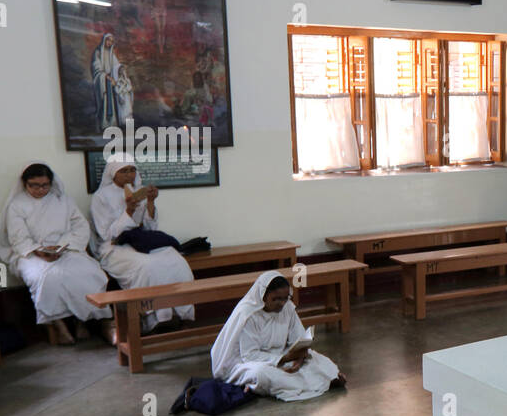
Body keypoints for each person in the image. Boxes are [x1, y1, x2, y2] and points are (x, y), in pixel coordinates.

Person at [0, 162, 114, 345]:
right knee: (47, 278)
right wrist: (39, 252)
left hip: (66, 249)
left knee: (89, 273)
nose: (40, 189)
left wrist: (63, 246)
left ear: (51, 182)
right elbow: (18, 238)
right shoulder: (17, 206)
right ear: (25, 184)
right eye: (34, 185)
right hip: (31, 254)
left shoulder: (63, 200)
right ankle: (57, 324)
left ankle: (82, 321)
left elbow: (80, 226)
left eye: (44, 185)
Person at [89, 154, 195, 332]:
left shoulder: (138, 190)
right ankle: (155, 318)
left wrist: (151, 202)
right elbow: (106, 234)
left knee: (177, 261)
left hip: (142, 240)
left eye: (132, 170)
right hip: (116, 246)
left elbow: (150, 226)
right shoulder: (101, 197)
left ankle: (183, 314)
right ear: (112, 173)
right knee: (147, 266)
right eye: (123, 171)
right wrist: (129, 212)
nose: (129, 175)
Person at [210, 271, 346, 401]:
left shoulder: (287, 308)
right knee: (261, 374)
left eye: (285, 298)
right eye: (276, 299)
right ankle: (320, 382)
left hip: (281, 355)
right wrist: (283, 359)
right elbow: (249, 355)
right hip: (245, 362)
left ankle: (327, 378)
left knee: (314, 357)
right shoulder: (249, 314)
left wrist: (298, 359)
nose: (281, 303)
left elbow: (298, 339)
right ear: (263, 296)